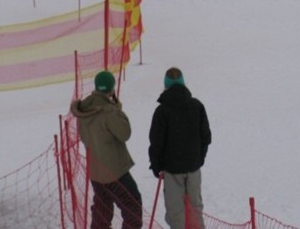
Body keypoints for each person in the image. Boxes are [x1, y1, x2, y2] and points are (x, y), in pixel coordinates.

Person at [70, 71, 142, 229]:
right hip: (114, 172)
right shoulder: (109, 111)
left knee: (103, 208)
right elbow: (125, 133)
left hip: (96, 171)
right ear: (111, 88)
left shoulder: (84, 109)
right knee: (133, 206)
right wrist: (117, 110)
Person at [149, 67, 212, 229]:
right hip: (193, 167)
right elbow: (206, 136)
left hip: (172, 169)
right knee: (195, 207)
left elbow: (156, 142)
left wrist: (156, 165)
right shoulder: (196, 106)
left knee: (175, 211)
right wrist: (199, 158)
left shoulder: (162, 111)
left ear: (166, 85)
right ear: (183, 83)